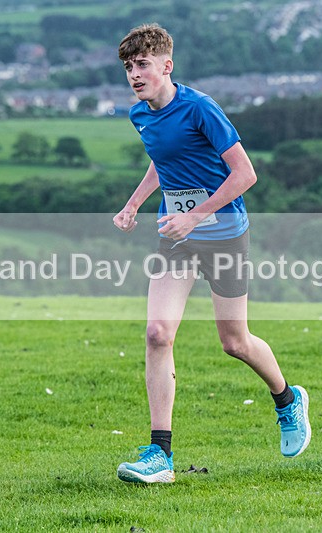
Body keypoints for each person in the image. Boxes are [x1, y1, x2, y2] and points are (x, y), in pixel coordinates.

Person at [112, 23, 310, 484]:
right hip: (177, 236)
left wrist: (195, 215)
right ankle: (160, 455)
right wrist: (134, 203)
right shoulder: (140, 114)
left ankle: (287, 400)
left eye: (142, 65)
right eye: (128, 67)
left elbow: (245, 175)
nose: (135, 75)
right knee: (158, 333)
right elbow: (163, 162)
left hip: (223, 234)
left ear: (166, 65)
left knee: (234, 342)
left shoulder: (201, 108)